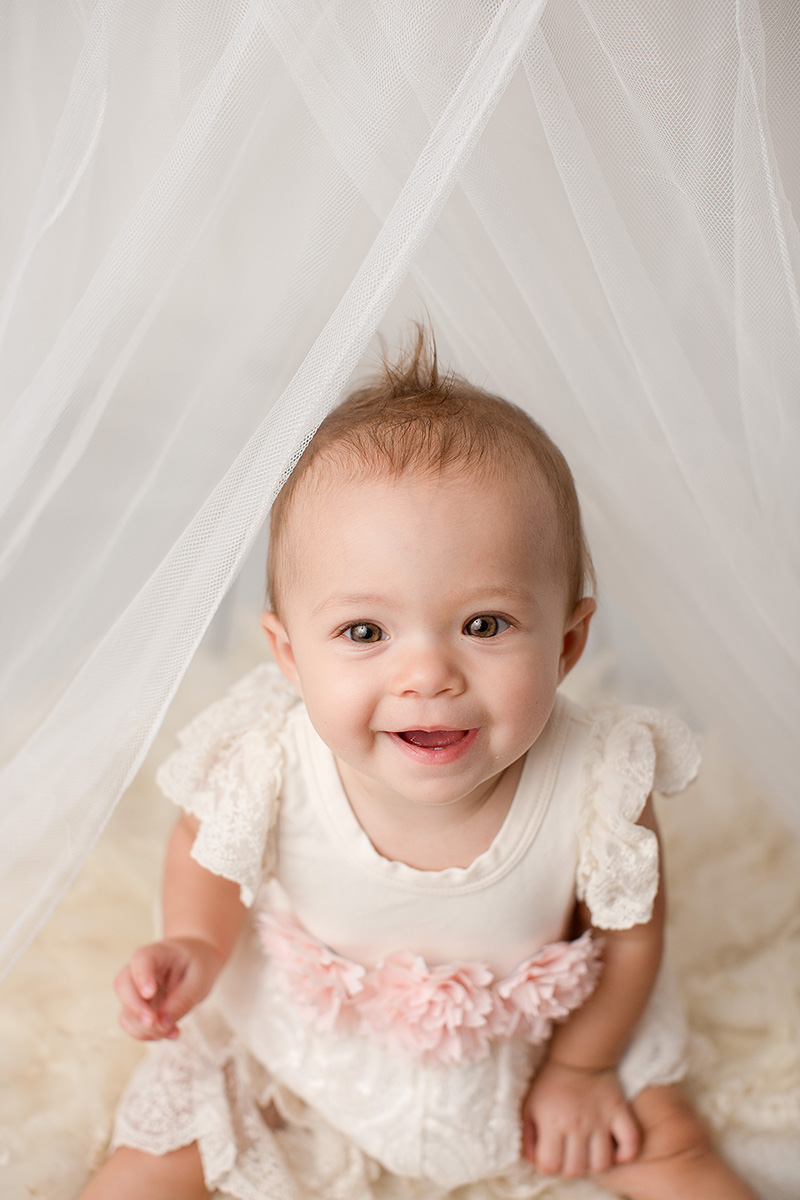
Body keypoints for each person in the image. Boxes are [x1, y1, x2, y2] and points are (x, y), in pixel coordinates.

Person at [80, 329, 758, 1200]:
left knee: (672, 1149)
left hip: (534, 1038)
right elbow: (201, 845)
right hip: (308, 1031)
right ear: (289, 659)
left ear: (568, 642)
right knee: (157, 1157)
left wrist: (582, 1070)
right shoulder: (268, 757)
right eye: (364, 633)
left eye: (484, 625)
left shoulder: (597, 778)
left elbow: (631, 942)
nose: (428, 675)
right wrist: (197, 944)